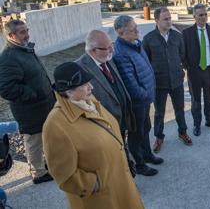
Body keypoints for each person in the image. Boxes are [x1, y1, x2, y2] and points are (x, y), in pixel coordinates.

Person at [42, 62, 144, 209]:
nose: (91, 87)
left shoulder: (88, 101)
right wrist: (93, 184)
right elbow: (62, 173)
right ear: (69, 92)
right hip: (100, 198)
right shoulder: (55, 124)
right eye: (84, 85)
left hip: (121, 184)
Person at [0, 19, 54, 184]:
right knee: (34, 141)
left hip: (42, 105)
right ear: (11, 35)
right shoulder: (8, 57)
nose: (27, 34)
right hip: (29, 110)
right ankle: (38, 173)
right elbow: (6, 88)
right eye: (22, 32)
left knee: (43, 138)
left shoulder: (24, 49)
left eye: (27, 30)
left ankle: (43, 165)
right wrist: (33, 93)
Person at [76, 29, 137, 174]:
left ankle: (127, 175)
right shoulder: (79, 68)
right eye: (107, 48)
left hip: (120, 121)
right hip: (104, 126)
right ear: (93, 51)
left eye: (112, 45)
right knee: (112, 160)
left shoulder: (107, 58)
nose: (111, 50)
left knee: (122, 151)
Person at [113, 15, 163, 176]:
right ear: (121, 33)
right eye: (133, 29)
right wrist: (144, 94)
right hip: (137, 102)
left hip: (145, 98)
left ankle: (147, 155)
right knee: (136, 134)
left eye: (136, 26)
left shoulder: (135, 44)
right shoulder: (120, 52)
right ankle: (140, 165)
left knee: (146, 128)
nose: (137, 30)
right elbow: (130, 82)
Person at [143, 7, 192, 152]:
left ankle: (182, 132)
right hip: (159, 84)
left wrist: (180, 71)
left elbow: (183, 56)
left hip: (176, 82)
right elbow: (145, 62)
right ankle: (159, 137)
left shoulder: (178, 37)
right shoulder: (148, 39)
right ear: (157, 20)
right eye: (165, 19)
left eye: (170, 18)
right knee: (159, 112)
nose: (169, 21)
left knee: (180, 109)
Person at [182, 4, 210, 136]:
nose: (203, 17)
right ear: (194, 16)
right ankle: (196, 125)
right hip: (195, 72)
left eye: (205, 14)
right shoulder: (187, 33)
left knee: (209, 99)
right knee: (196, 101)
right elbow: (183, 53)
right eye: (200, 15)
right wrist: (188, 66)